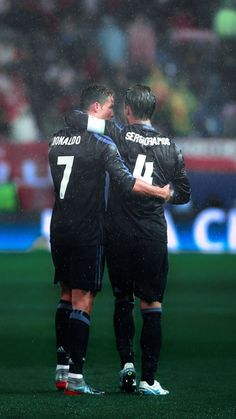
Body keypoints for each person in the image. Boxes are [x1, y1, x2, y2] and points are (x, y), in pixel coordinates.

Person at [65, 84, 191, 396]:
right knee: (152, 304)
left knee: (123, 299)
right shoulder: (171, 146)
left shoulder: (119, 133)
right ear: (152, 111)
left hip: (118, 232)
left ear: (129, 111)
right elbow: (184, 193)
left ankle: (127, 366)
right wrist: (163, 193)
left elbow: (74, 118)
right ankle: (149, 379)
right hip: (151, 233)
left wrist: (100, 120)